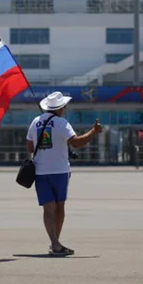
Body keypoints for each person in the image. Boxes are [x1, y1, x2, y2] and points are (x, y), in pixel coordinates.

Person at [26, 91, 102, 256]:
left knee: (48, 208)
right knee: (60, 207)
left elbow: (30, 148)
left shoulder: (35, 122)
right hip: (60, 171)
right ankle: (55, 243)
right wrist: (93, 132)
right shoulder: (62, 123)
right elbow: (76, 142)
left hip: (40, 171)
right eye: (64, 107)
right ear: (60, 108)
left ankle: (55, 242)